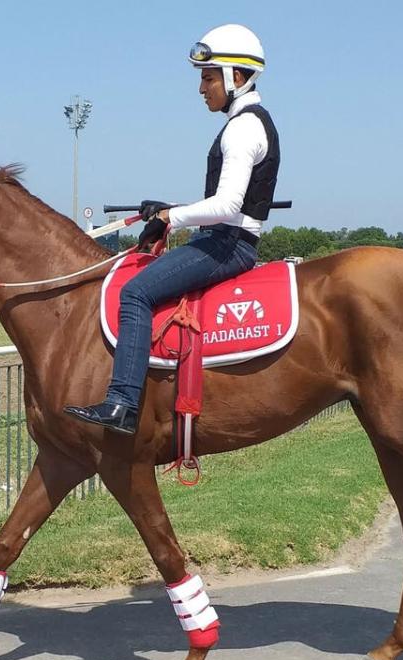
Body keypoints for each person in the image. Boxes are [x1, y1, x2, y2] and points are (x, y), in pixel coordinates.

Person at [65, 23, 280, 434]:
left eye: (208, 76)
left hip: (228, 244)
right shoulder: (246, 122)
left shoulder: (243, 127)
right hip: (227, 236)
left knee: (136, 292)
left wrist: (170, 218)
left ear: (237, 76)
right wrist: (168, 208)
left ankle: (123, 402)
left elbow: (227, 205)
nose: (202, 88)